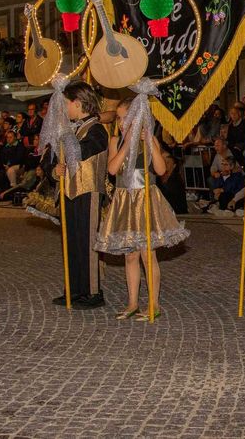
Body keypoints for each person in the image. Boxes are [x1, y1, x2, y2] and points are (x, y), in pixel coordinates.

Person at [95, 97, 189, 321]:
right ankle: (132, 302)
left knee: (148, 255)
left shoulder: (150, 140)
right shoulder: (115, 141)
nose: (120, 122)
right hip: (124, 200)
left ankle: (154, 304)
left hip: (145, 199)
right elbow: (112, 169)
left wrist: (150, 144)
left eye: (124, 117)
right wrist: (126, 144)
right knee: (130, 256)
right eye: (118, 118)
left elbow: (160, 169)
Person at [49, 81, 110, 309]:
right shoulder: (71, 128)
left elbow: (81, 152)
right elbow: (53, 160)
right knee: (70, 243)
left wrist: (64, 132)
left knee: (87, 243)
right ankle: (73, 290)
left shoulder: (96, 130)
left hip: (88, 192)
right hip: (67, 191)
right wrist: (54, 171)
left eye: (65, 103)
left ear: (77, 103)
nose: (63, 109)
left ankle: (92, 292)